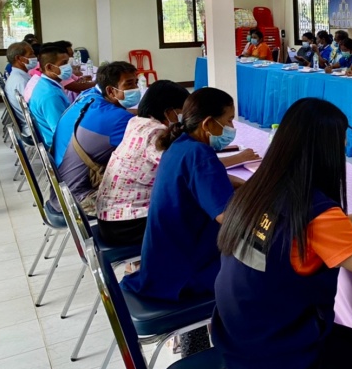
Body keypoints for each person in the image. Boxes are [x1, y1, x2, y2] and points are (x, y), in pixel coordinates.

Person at [212, 98, 352, 369]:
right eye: (341, 142)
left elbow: (296, 234)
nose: (344, 149)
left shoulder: (258, 190)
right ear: (325, 151)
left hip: (237, 338)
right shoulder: (315, 210)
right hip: (279, 353)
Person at [121, 87, 250, 301]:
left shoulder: (179, 145)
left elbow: (202, 180)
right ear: (207, 123)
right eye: (228, 120)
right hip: (184, 274)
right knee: (264, 268)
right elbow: (228, 218)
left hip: (162, 263)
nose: (232, 127)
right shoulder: (200, 154)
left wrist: (238, 183)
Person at [96, 80, 190, 245]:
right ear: (169, 112)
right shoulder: (156, 134)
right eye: (182, 112)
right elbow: (186, 170)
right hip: (127, 225)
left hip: (112, 217)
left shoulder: (137, 122)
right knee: (198, 217)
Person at [50, 61, 138, 216]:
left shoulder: (91, 98)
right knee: (148, 195)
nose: (136, 89)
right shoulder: (116, 119)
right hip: (78, 197)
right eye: (129, 84)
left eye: (136, 83)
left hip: (62, 183)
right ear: (110, 90)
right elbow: (144, 149)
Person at [28, 44, 73, 147]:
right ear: (49, 67)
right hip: (60, 147)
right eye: (64, 63)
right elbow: (62, 133)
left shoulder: (45, 84)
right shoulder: (51, 96)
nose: (68, 67)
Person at [4, 42, 37, 139]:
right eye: (31, 54)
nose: (35, 57)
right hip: (34, 128)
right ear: (19, 58)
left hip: (32, 123)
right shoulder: (20, 81)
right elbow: (35, 108)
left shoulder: (20, 76)